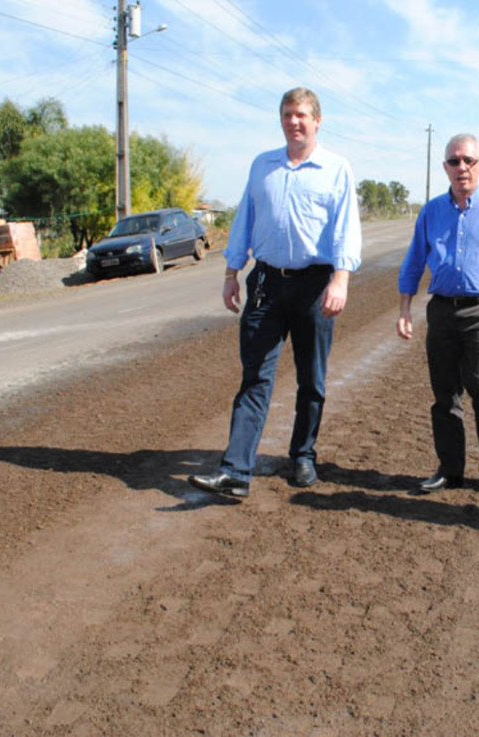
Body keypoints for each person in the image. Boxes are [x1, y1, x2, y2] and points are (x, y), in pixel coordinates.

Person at [190, 87, 362, 498]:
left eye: (301, 115)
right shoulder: (262, 166)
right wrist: (232, 273)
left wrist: (340, 280)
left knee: (312, 379)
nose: (293, 122)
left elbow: (346, 230)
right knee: (255, 377)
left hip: (315, 285)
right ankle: (235, 471)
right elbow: (243, 222)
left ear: (317, 121)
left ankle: (302, 454)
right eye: (287, 114)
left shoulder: (336, 169)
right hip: (266, 283)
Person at [397, 133, 479, 497]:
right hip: (441, 311)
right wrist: (404, 307)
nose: (462, 168)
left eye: (468, 160)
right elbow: (413, 262)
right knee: (444, 392)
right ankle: (450, 468)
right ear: (445, 167)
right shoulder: (431, 212)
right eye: (454, 161)